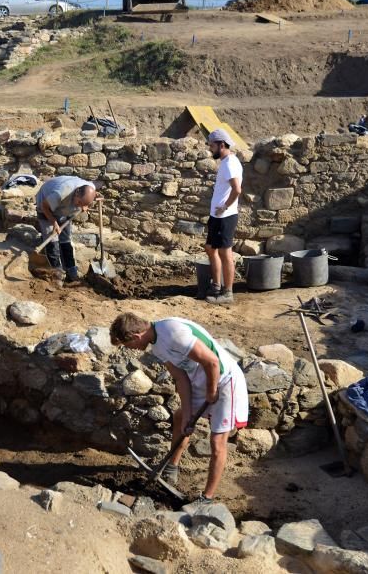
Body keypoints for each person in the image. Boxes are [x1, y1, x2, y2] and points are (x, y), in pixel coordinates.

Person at [110, 312, 248, 502]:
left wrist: (211, 390)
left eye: (128, 345)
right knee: (180, 418)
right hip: (201, 381)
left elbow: (212, 362)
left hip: (224, 381)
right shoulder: (157, 346)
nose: (131, 349)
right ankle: (171, 466)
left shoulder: (173, 332)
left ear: (136, 336)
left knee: (217, 443)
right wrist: (189, 415)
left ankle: (206, 498)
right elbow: (181, 378)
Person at [34, 175, 97, 283]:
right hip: (46, 208)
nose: (79, 206)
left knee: (65, 240)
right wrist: (54, 222)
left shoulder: (90, 188)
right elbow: (45, 206)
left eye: (82, 204)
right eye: (79, 202)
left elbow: (87, 201)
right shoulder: (61, 193)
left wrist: (85, 205)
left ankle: (72, 273)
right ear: (76, 192)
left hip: (65, 209)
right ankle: (56, 275)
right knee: (52, 241)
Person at [204, 128, 243, 305]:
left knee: (225, 252)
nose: (210, 149)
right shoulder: (227, 161)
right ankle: (216, 286)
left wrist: (225, 207)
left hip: (224, 216)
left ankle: (227, 292)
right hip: (217, 215)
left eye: (212, 146)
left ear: (221, 144)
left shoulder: (229, 164)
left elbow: (237, 190)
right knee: (210, 248)